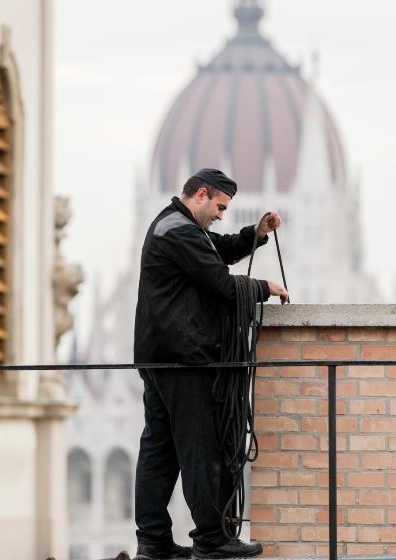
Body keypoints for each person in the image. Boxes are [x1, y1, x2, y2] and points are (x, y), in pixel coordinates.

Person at [133, 168, 288, 560]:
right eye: (220, 206)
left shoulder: (175, 226)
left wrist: (256, 234)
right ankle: (211, 539)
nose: (221, 215)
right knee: (200, 449)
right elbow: (220, 282)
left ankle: (152, 542)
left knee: (160, 451)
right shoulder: (179, 231)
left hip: (159, 358)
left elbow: (215, 250)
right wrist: (264, 288)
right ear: (201, 195)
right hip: (183, 360)